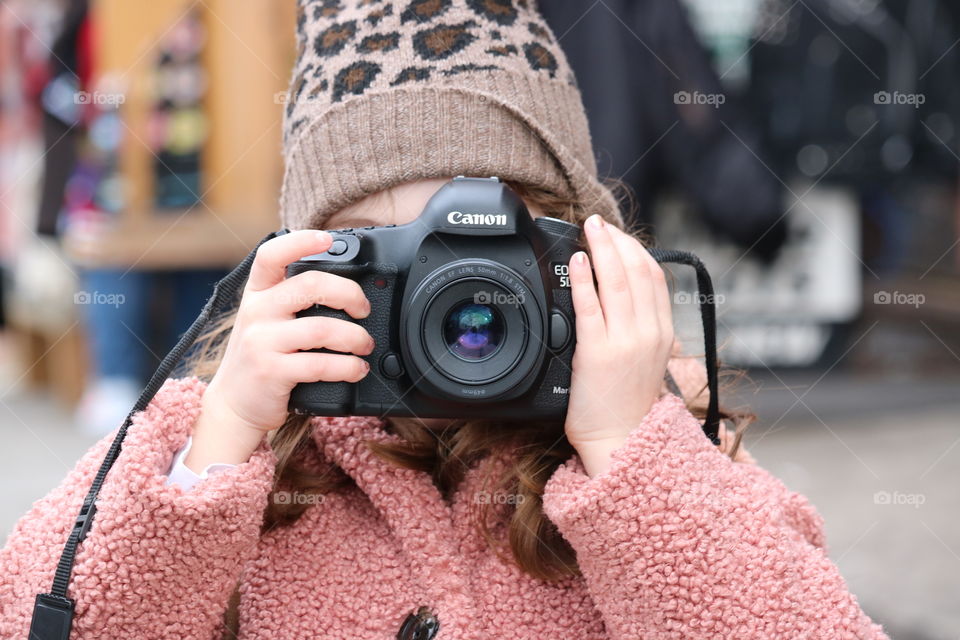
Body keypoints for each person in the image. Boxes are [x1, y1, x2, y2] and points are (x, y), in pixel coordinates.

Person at [0, 1, 888, 638]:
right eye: (380, 250)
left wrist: (633, 455)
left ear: (579, 255)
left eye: (485, 255)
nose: (452, 304)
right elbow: (49, 615)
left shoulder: (669, 449)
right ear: (305, 262)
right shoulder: (235, 453)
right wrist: (214, 444)